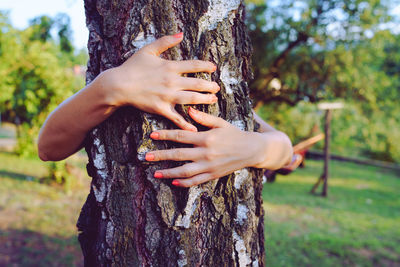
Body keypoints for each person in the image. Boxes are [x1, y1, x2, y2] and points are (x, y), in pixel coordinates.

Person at [38, 33, 293, 187]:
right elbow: (49, 148)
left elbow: (284, 148)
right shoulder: (118, 83)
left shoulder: (230, 98)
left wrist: (253, 149)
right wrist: (112, 87)